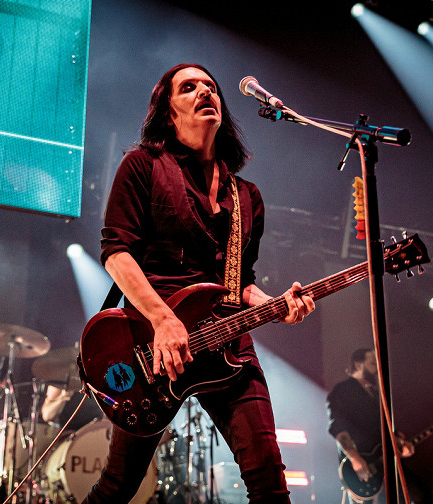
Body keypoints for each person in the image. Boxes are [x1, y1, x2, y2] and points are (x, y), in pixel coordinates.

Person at [83, 63, 315, 504]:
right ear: (168, 112)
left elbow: (240, 282)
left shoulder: (246, 196)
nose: (204, 92)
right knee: (118, 487)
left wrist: (277, 304)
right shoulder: (142, 166)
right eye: (188, 87)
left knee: (269, 482)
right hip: (152, 344)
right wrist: (163, 320)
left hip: (227, 344)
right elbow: (116, 252)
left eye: (210, 86)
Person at [326, 348, 431, 504]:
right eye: (372, 363)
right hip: (362, 467)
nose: (377, 367)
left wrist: (400, 443)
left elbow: (384, 428)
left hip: (387, 461)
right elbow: (338, 428)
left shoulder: (376, 393)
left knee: (421, 496)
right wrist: (355, 458)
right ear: (358, 365)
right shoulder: (342, 391)